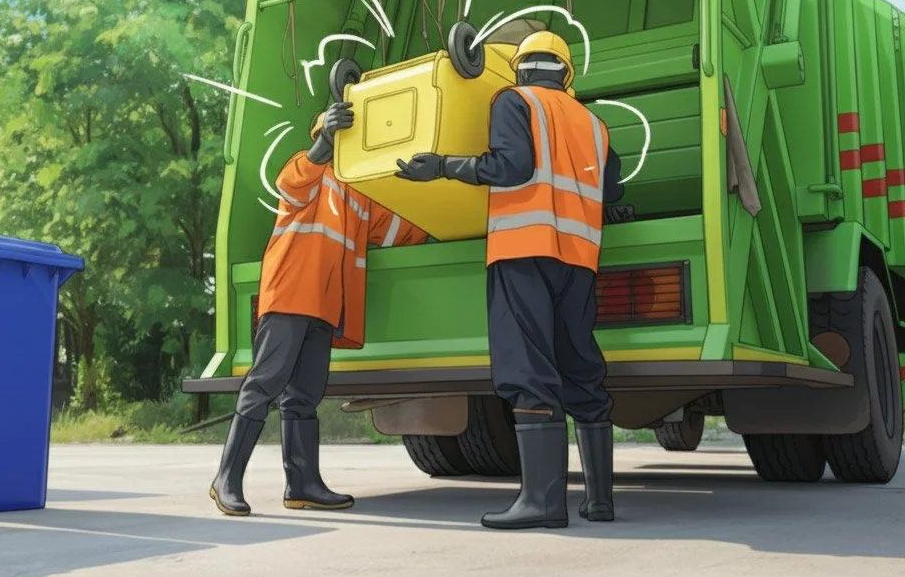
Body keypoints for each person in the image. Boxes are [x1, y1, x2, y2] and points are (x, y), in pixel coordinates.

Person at [396, 29, 627, 530]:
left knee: (528, 370)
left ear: (520, 67)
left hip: (523, 251)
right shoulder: (593, 122)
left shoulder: (513, 100)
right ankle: (600, 501)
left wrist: (441, 166)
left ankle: (542, 503)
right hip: (579, 259)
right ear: (566, 74)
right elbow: (611, 190)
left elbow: (513, 166)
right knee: (581, 368)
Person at [210, 100, 429, 517]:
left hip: (326, 307)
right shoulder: (308, 173)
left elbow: (408, 231)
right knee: (264, 384)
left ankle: (303, 485)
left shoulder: (362, 195)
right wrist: (324, 143)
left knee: (304, 397)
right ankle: (227, 479)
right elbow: (293, 180)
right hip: (292, 295)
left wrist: (427, 180)